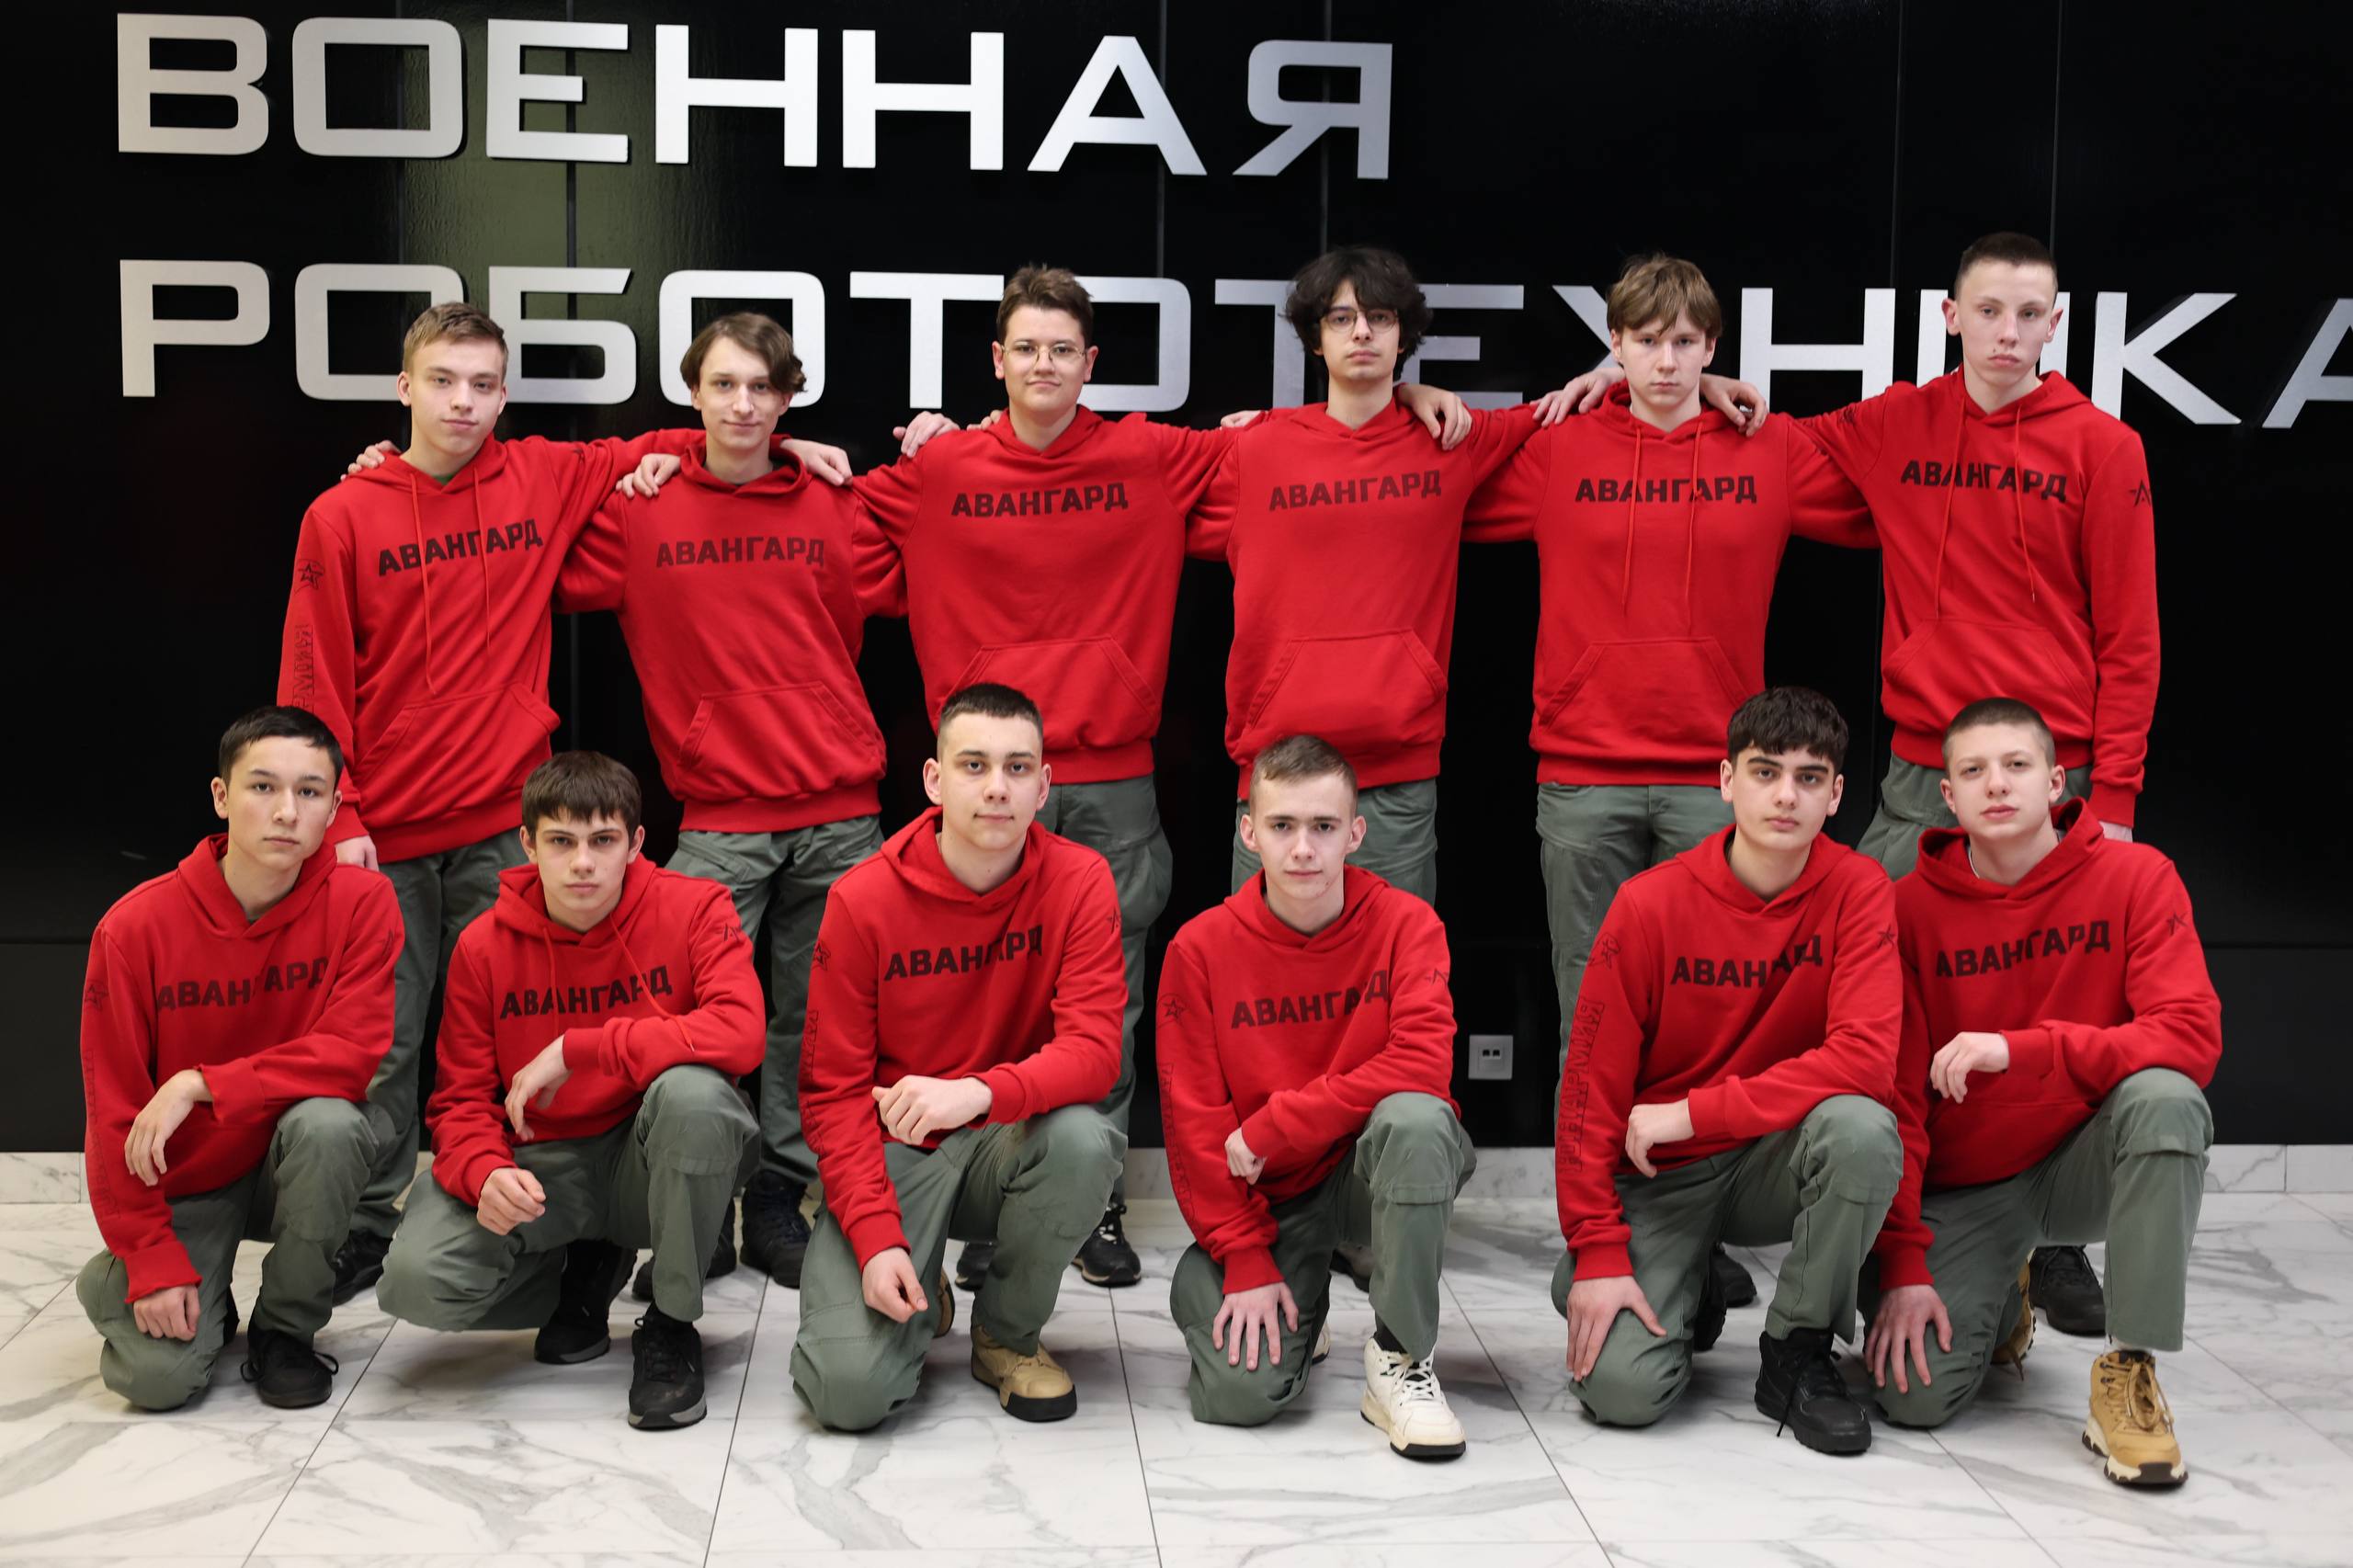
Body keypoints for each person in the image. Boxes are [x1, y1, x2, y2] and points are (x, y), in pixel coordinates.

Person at [834, 267, 1472, 1290]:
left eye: (1062, 349)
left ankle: (1090, 1201)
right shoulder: (941, 467)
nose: (1044, 365)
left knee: (1111, 999)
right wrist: (760, 452)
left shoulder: (1151, 455)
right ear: (996, 361)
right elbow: (810, 514)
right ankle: (999, 1193)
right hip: (989, 780)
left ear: (1091, 362)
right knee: (992, 996)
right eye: (1025, 348)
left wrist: (1404, 392)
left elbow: (1320, 440)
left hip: (1114, 776)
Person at [1464, 253, 1873, 1312]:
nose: (1665, 360)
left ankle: (1697, 1216)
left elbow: (1893, 481)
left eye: (1685, 342)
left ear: (1712, 347)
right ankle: (1596, 1221)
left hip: (1715, 784)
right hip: (1583, 775)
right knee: (1593, 1017)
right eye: (1644, 341)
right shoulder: (1561, 444)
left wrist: (1741, 400)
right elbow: (1435, 470)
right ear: (1614, 344)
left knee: (1713, 1022)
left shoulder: (1764, 446)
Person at [285, 301, 670, 1305]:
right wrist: (341, 815)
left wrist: (785, 445)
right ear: (404, 388)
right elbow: (313, 676)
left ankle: (541, 1213)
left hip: (507, 825)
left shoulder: (542, 473)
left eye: (483, 384)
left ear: (505, 395)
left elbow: (681, 441)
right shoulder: (343, 513)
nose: (463, 402)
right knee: (382, 1041)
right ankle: (366, 1223)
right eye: (443, 381)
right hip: (384, 835)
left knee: (520, 1032)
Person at [556, 312, 893, 1296]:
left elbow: (937, 559)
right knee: (684, 1018)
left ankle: (781, 1194)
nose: (743, 405)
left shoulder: (833, 502)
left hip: (839, 811)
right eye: (724, 385)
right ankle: (694, 1204)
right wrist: (648, 460)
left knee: (817, 1024)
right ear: (693, 393)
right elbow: (534, 546)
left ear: (789, 399)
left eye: (763, 388)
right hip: (717, 816)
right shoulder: (641, 510)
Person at [1863, 698, 2219, 1486]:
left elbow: (2191, 1035)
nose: (1997, 784)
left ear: (2056, 782)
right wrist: (1905, 1265)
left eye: (2017, 765)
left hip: (2083, 1163)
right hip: (1968, 1186)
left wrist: (2021, 1051)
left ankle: (2129, 1368)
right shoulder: (1907, 910)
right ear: (1948, 796)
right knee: (1912, 1397)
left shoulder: (2137, 878)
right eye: (1974, 771)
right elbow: (1897, 1103)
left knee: (2166, 1097)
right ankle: (2002, 1289)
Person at [1552, 687, 1901, 1455]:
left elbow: (1868, 1061)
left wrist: (1697, 1112)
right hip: (1664, 1172)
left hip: (1775, 1158)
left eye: (1809, 778)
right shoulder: (1649, 904)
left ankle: (1797, 1352)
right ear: (1726, 781)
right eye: (1765, 772)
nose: (1786, 796)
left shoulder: (1858, 891)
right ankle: (1691, 1280)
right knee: (1623, 1393)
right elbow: (1588, 1090)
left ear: (1836, 794)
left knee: (1862, 1130)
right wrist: (1598, 1249)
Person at [374, 752, 764, 1430]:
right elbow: (459, 1100)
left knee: (696, 1095)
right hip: (542, 1168)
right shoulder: (482, 946)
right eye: (561, 841)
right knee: (416, 1283)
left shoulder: (696, 907)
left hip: (650, 1159)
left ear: (636, 844)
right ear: (528, 844)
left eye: (602, 841)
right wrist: (483, 1171)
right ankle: (577, 1273)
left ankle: (672, 1323)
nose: (582, 863)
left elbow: (741, 1032)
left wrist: (581, 1047)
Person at [789, 683, 1127, 1430]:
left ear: (1044, 786)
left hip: (1007, 1141)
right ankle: (918, 1270)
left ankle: (1005, 1336)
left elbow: (1095, 1053)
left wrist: (975, 1091)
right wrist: (876, 1239)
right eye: (974, 765)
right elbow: (831, 1093)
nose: (997, 787)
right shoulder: (862, 899)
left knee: (1084, 1138)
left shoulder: (1080, 882)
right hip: (894, 1151)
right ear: (935, 780)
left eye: (1017, 768)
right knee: (847, 1394)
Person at [1189, 245, 1553, 905]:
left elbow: (1586, 409)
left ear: (1402, 335)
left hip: (1397, 772)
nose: (1361, 332)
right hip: (1277, 772)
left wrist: (1704, 386)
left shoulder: (1450, 441)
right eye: (1341, 318)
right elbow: (1122, 477)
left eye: (1379, 317)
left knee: (1396, 959)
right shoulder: (1253, 450)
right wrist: (995, 428)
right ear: (1316, 338)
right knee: (1263, 963)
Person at [1157, 734, 1476, 1458]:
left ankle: (1400, 1356)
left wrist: (1278, 1124)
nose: (1303, 848)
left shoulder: (1407, 925)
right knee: (1239, 1397)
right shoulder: (1199, 950)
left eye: (1324, 826)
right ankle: (1295, 1302)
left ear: (1355, 833)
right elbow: (1195, 1121)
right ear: (1249, 833)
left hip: (1369, 1170)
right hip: (1276, 1197)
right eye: (1283, 826)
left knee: (1419, 1119)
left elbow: (1424, 1064)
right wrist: (1243, 1258)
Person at [74, 706, 400, 1410]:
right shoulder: (134, 928)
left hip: (292, 1161)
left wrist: (200, 1083)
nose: (286, 812)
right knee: (156, 1382)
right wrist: (151, 1259)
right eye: (262, 787)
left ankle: (285, 1330)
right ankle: (135, 1281)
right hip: (191, 1177)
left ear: (333, 808)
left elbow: (351, 1056)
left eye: (309, 792)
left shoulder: (363, 902)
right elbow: (113, 1114)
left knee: (334, 1125)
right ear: (221, 797)